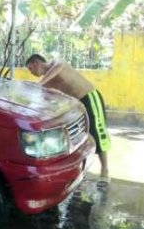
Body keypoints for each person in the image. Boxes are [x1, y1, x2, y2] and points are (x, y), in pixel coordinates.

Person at [26, 54, 110, 184]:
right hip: (76, 105)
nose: (32, 73)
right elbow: (44, 97)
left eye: (31, 69)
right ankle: (82, 169)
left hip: (90, 97)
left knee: (98, 133)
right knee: (82, 136)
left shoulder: (56, 62)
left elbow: (59, 67)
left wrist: (40, 84)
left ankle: (105, 170)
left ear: (37, 63)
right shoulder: (47, 81)